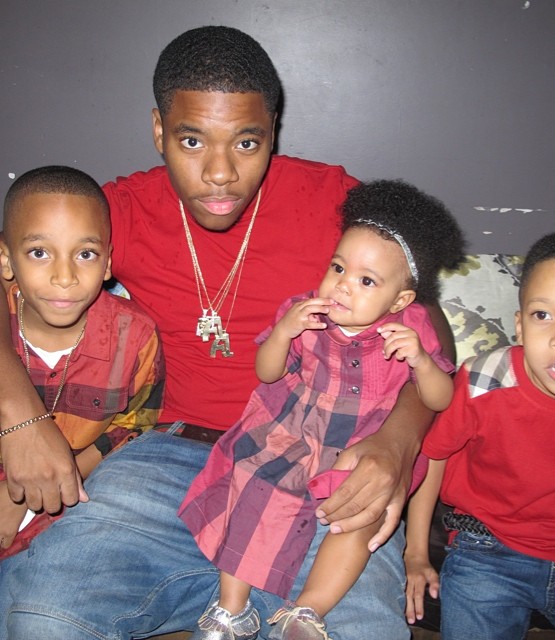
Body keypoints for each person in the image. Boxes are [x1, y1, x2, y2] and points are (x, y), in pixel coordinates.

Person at [0, 26, 456, 639]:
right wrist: (19, 417)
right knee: (43, 618)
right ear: (159, 130)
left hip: (320, 469)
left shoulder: (332, 203)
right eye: (191, 141)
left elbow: (430, 326)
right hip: (163, 462)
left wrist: (398, 443)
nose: (220, 173)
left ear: (273, 131)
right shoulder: (117, 211)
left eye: (247, 142)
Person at [182, 179, 464, 640]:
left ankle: (307, 612)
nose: (343, 285)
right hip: (296, 432)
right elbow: (267, 372)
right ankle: (232, 610)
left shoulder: (410, 328)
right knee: (253, 485)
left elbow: (440, 399)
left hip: (361, 449)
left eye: (366, 281)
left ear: (399, 300)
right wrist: (283, 333)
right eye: (338, 267)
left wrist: (422, 362)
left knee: (360, 519)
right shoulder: (305, 313)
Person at [416, 229, 555, 639]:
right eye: (542, 315)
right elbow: (434, 454)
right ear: (519, 326)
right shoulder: (483, 380)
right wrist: (415, 551)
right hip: (486, 549)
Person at [0, 165, 165, 559]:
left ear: (107, 263)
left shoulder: (134, 338)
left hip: (67, 512)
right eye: (39, 253)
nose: (65, 277)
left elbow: (134, 426)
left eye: (85, 254)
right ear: (6, 259)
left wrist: (31, 490)